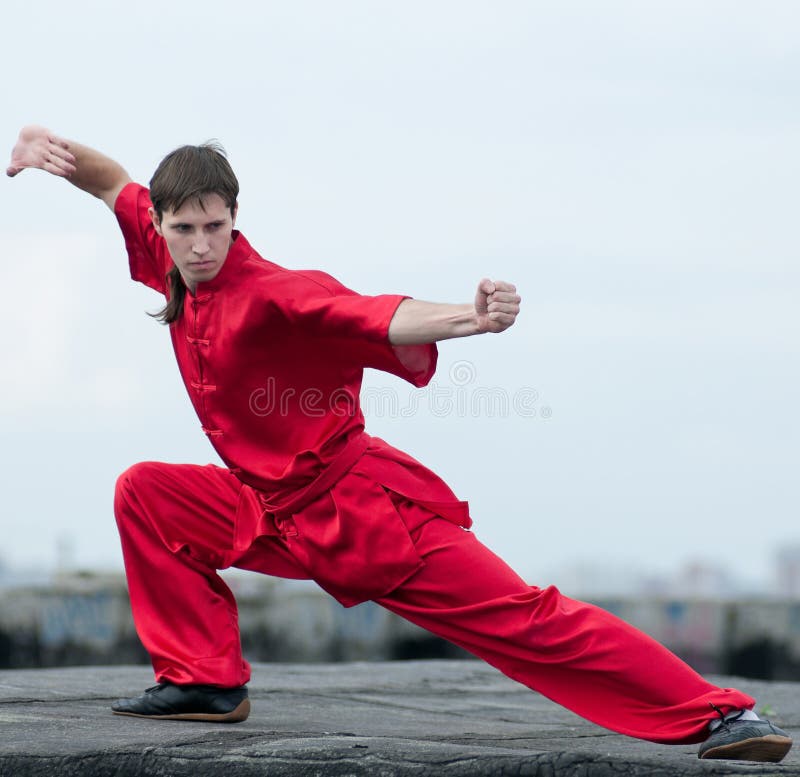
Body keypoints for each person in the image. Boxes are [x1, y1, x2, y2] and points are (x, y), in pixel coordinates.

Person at [6, 124, 792, 763]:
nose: (201, 243)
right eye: (185, 229)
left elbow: (378, 315)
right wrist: (53, 154)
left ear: (235, 219)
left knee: (526, 616)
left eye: (216, 226)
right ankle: (205, 683)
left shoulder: (276, 292)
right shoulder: (170, 251)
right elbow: (116, 183)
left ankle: (721, 713)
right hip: (263, 504)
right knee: (147, 491)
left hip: (359, 512)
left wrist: (471, 316)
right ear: (166, 229)